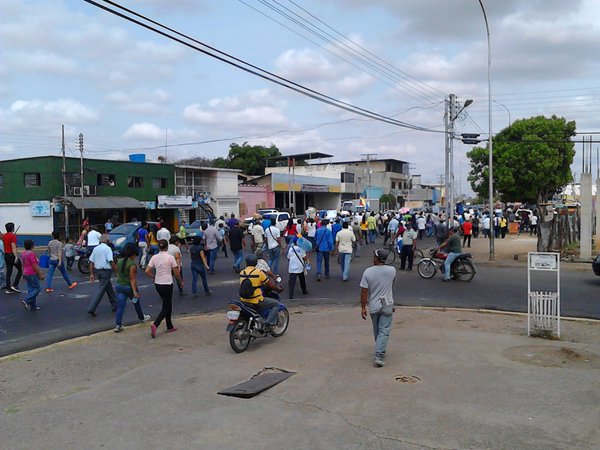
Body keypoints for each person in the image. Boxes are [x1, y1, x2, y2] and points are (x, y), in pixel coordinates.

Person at [360, 248, 397, 367]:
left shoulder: (368, 272)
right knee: (384, 331)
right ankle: (380, 352)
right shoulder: (392, 270)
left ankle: (379, 354)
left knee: (377, 330)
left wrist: (363, 307)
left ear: (376, 258)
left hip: (374, 305)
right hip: (387, 304)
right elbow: (391, 284)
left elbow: (364, 291)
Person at [145, 239, 183, 338]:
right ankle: (156, 324)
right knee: (166, 306)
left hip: (158, 283)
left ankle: (169, 325)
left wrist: (153, 276)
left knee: (167, 304)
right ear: (167, 247)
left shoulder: (154, 257)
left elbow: (147, 270)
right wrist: (180, 282)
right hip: (167, 283)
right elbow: (176, 273)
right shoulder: (170, 258)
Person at [113, 244, 151, 332]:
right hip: (128, 287)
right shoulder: (132, 265)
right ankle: (141, 317)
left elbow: (117, 272)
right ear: (133, 254)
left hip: (119, 286)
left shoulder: (119, 261)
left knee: (121, 306)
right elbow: (132, 278)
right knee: (136, 302)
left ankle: (118, 325)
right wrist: (135, 291)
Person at [239, 254, 282, 329]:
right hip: (256, 300)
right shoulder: (259, 273)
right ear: (256, 263)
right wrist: (278, 288)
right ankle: (267, 324)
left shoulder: (242, 273)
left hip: (243, 300)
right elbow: (270, 285)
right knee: (276, 304)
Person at [87, 234, 118, 316]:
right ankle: (92, 308)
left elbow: (91, 262)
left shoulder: (96, 249)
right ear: (107, 241)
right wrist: (116, 271)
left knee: (108, 287)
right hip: (106, 271)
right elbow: (111, 261)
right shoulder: (108, 249)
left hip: (98, 271)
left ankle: (114, 304)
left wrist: (91, 274)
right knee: (101, 290)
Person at [21, 239, 45, 311]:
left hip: (26, 273)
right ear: (32, 246)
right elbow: (34, 266)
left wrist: (23, 273)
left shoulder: (23, 253)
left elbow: (24, 264)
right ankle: (27, 300)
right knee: (37, 289)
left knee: (31, 289)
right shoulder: (31, 254)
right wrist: (40, 274)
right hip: (32, 273)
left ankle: (33, 306)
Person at [3, 222, 22, 293]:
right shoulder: (13, 236)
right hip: (12, 255)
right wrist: (16, 257)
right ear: (12, 228)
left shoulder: (4, 236)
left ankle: (8, 288)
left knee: (9, 272)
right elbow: (13, 247)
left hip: (6, 255)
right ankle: (15, 285)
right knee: (20, 269)